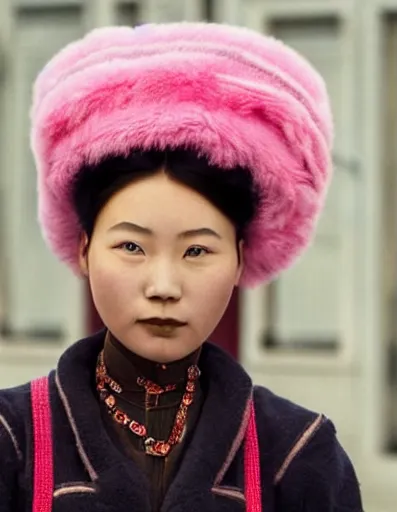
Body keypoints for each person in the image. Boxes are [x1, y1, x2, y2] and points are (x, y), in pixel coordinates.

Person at [0, 22, 363, 511]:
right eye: (131, 247)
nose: (164, 286)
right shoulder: (12, 440)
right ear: (85, 249)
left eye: (197, 251)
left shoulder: (296, 453)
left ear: (239, 258)